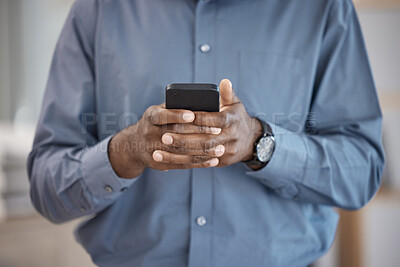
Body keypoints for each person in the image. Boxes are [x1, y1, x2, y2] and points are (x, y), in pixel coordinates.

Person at [27, 0, 385, 266]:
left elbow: (362, 172)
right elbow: (46, 187)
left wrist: (260, 143)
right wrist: (126, 151)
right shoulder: (98, 10)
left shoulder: (321, 8)